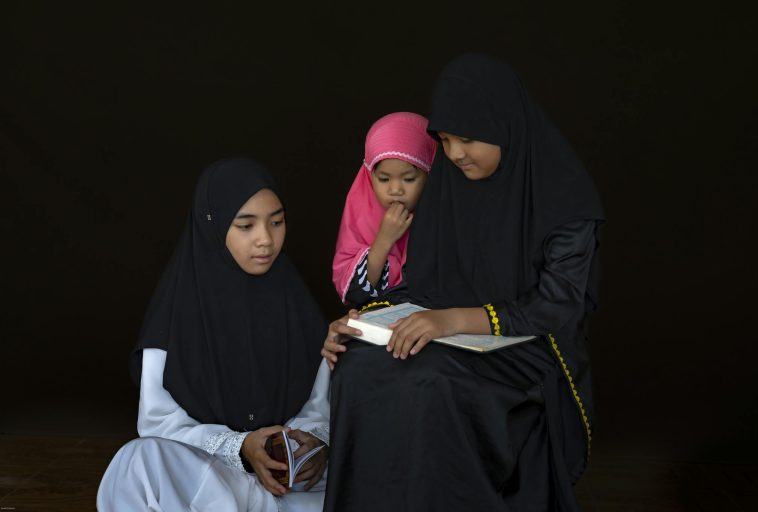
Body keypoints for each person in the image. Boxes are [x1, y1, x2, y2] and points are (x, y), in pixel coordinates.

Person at [321, 54, 605, 511]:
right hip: (447, 331)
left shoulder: (565, 200)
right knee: (359, 368)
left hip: (529, 346)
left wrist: (452, 320)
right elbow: (420, 283)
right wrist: (360, 322)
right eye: (446, 140)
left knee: (431, 385)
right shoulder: (451, 185)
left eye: (468, 139)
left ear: (504, 124)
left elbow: (558, 305)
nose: (454, 154)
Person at [97, 159, 331, 512]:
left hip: (290, 490)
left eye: (277, 222)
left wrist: (309, 446)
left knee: (376, 461)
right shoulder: (176, 313)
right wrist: (240, 447)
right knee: (138, 462)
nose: (265, 240)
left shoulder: (296, 306)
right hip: (209, 478)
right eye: (246, 225)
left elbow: (318, 406)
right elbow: (158, 423)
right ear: (213, 225)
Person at [332, 112, 436, 306]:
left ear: (430, 172)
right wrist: (384, 239)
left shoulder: (443, 216)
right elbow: (354, 294)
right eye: (384, 179)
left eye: (409, 179)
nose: (395, 190)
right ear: (369, 175)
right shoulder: (361, 216)